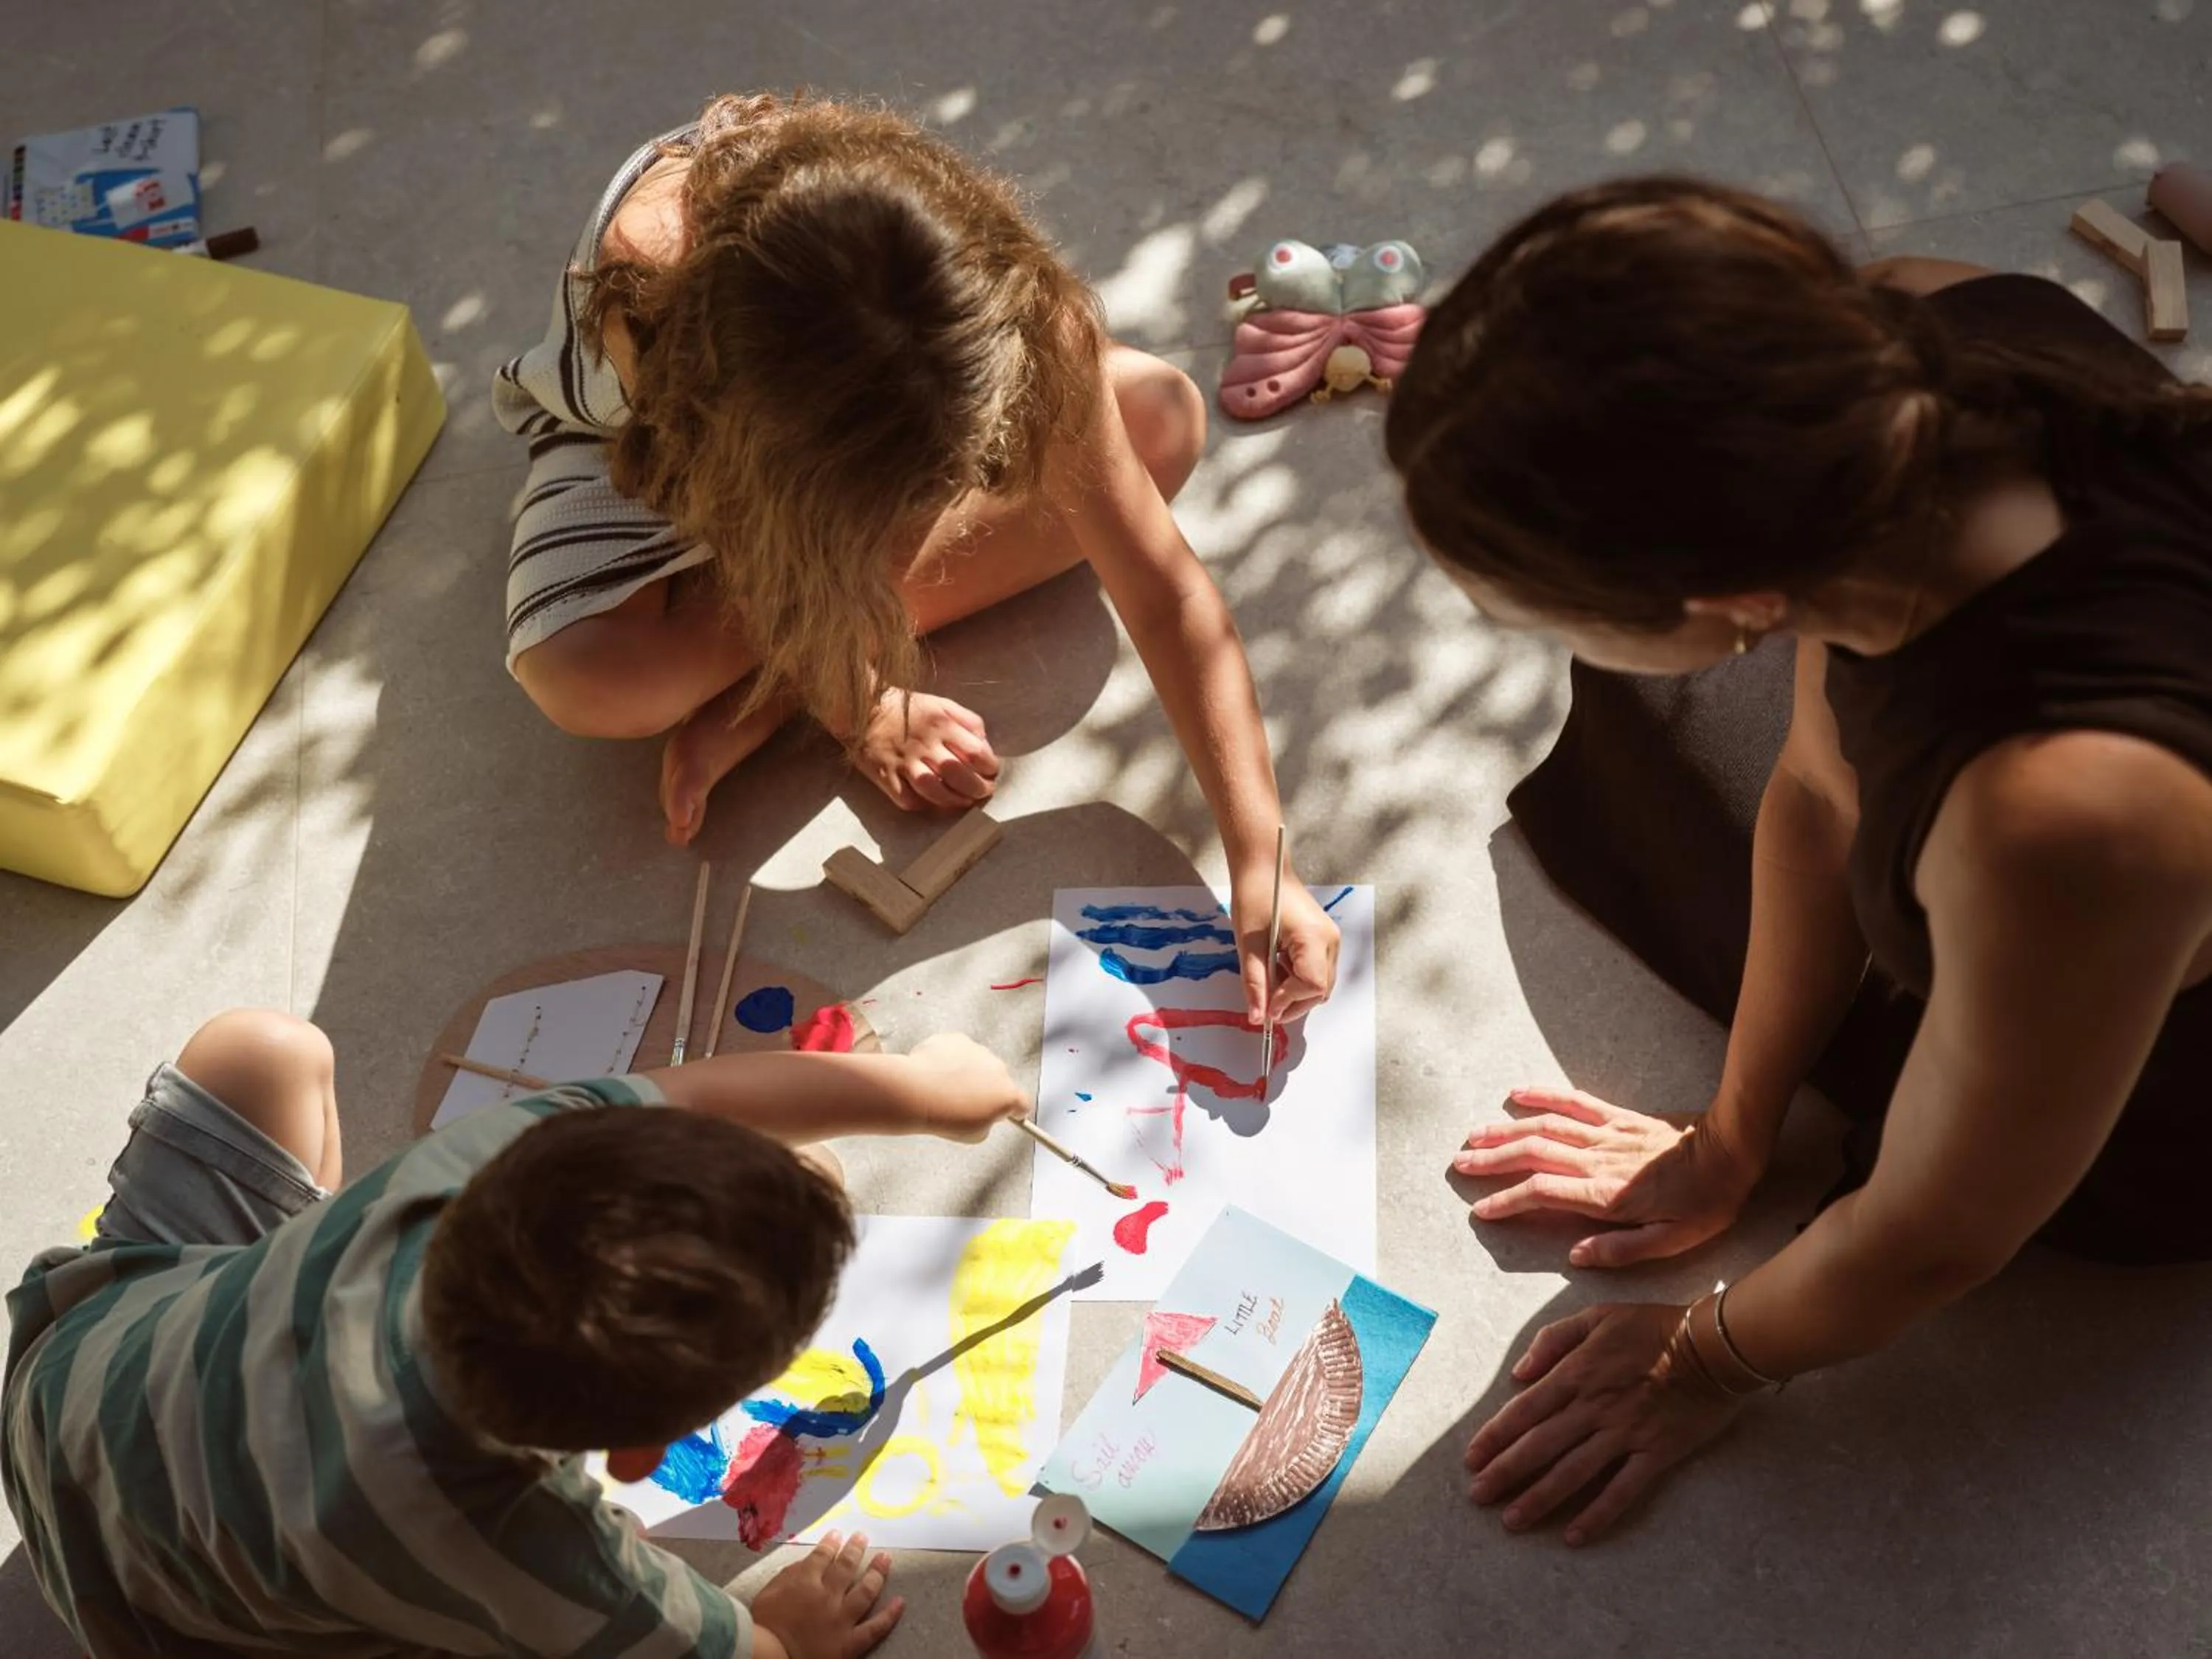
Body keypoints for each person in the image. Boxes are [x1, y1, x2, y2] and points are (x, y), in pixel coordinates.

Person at [1383, 177, 2212, 1545]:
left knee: (1905, 1179)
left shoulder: (2058, 812)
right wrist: (1735, 1129)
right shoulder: (1902, 336)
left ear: (1741, 599)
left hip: (2157, 1022)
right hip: (2068, 846)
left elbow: (1942, 1231)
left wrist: (1706, 1354)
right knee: (1656, 724)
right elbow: (1822, 794)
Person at [495, 92, 1338, 1027]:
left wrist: (1263, 855)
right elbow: (763, 531)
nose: (922, 523)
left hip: (813, 445)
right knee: (593, 681)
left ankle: (779, 671)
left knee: (1159, 422)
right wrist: (857, 699)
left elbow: (1166, 589)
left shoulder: (996, 297)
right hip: (652, 457)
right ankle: (806, 656)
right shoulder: (653, 307)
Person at [2, 1007, 1027, 1656]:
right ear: (638, 1456)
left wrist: (926, 1093)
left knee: (264, 1048)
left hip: (75, 1370)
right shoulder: (518, 1540)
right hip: (155, 1610)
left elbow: (703, 1093)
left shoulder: (490, 1158)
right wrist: (785, 1639)